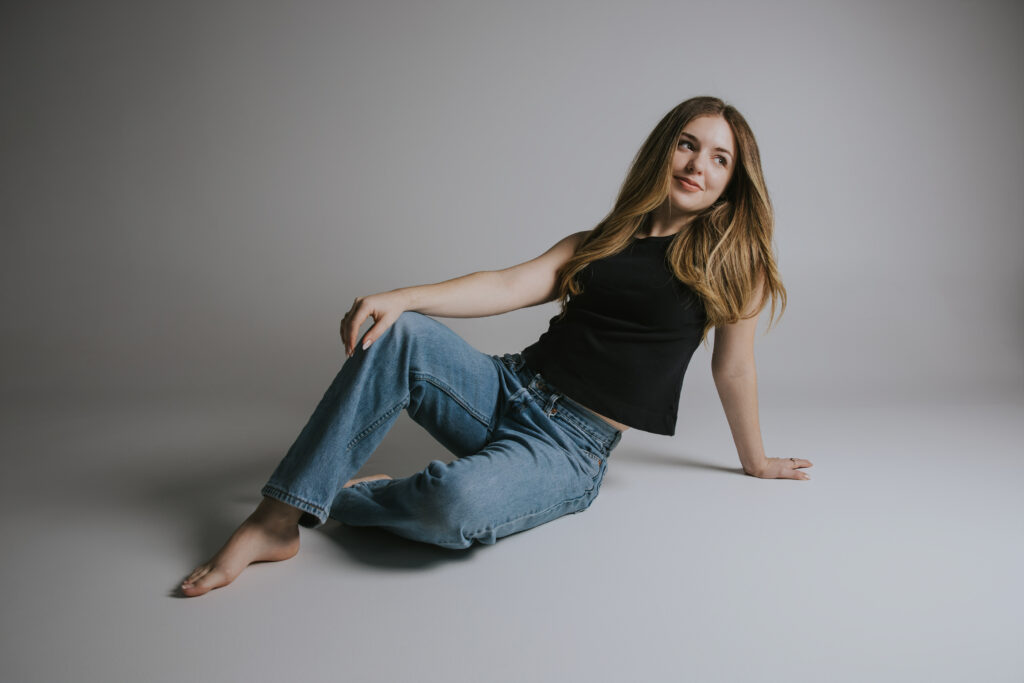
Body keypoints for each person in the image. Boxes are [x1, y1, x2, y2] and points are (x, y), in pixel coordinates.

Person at [180, 95, 811, 597]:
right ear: (664, 150)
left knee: (451, 505)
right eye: (688, 144)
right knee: (401, 331)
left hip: (568, 447)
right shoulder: (600, 239)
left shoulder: (734, 265)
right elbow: (508, 285)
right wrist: (403, 297)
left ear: (733, 180)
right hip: (505, 388)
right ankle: (275, 521)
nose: (698, 165)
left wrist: (755, 461)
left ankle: (347, 495)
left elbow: (734, 369)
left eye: (720, 158)